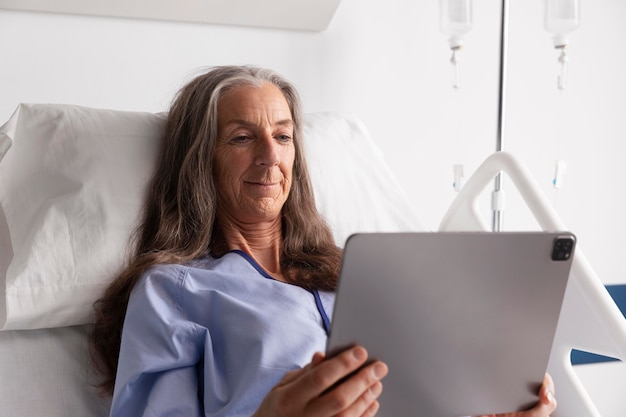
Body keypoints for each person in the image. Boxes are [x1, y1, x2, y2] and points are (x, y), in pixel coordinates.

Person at [90, 65, 557, 417]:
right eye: (241, 138)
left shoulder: (365, 277)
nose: (270, 155)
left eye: (283, 135)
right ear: (200, 161)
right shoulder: (173, 293)